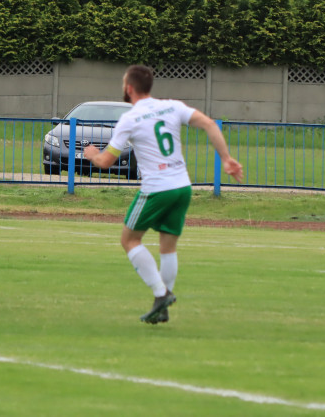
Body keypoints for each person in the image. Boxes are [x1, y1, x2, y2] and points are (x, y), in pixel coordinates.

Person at [82, 65, 244, 324]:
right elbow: (209, 124)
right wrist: (226, 159)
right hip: (182, 187)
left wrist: (92, 155)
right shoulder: (172, 106)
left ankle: (161, 295)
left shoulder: (130, 118)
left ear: (129, 88)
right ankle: (164, 307)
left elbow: (106, 162)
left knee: (129, 240)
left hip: (157, 189)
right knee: (168, 247)